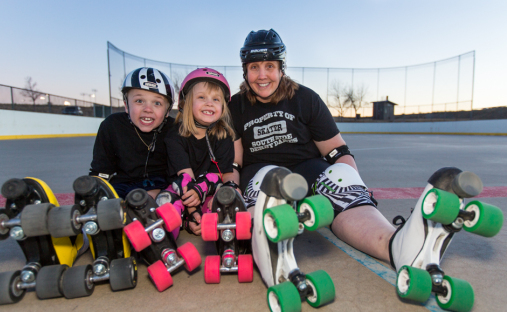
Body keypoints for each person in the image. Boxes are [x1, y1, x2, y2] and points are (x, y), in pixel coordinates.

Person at [228, 29, 398, 277]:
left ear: (281, 68)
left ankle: (393, 244)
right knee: (267, 177)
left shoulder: (305, 98)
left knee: (340, 176)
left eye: (269, 66)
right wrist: (232, 194)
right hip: (263, 174)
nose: (262, 75)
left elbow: (338, 152)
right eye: (254, 67)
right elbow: (235, 162)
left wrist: (352, 187)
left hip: (307, 171)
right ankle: (269, 251)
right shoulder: (235, 105)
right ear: (245, 70)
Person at [163, 68, 237, 236]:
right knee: (168, 205)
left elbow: (218, 176)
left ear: (223, 107)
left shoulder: (223, 136)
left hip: (208, 189)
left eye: (216, 99)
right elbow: (184, 179)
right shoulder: (175, 135)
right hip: (183, 190)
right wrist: (193, 211)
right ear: (185, 103)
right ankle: (164, 245)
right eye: (201, 97)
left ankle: (226, 242)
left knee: (225, 202)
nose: (209, 103)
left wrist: (202, 192)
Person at [89, 67, 175, 199]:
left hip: (160, 185)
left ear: (167, 111)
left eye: (157, 103)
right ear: (126, 105)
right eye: (139, 101)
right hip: (122, 184)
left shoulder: (174, 128)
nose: (147, 109)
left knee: (162, 199)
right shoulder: (112, 125)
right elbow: (101, 169)